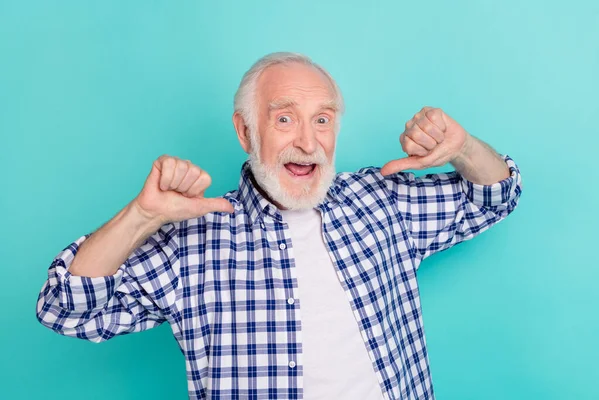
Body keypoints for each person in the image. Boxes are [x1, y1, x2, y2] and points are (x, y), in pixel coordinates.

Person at [36, 52, 523, 400]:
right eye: (285, 119)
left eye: (323, 120)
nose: (308, 142)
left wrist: (462, 147)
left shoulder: (382, 201)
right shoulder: (192, 239)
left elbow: (495, 196)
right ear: (245, 131)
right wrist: (141, 216)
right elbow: (66, 308)